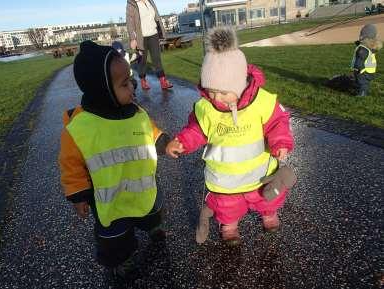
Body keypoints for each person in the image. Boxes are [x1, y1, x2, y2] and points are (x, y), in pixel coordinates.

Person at [166, 27, 294, 246]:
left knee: (266, 197)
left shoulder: (261, 102)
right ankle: (230, 225)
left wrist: (281, 142)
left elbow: (278, 122)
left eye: (223, 92)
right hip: (225, 180)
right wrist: (183, 142)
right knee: (227, 205)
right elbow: (197, 130)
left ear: (240, 83)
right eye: (212, 91)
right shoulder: (206, 107)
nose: (217, 98)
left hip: (259, 173)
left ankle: (269, 214)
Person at [59, 40, 170, 280]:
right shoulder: (80, 128)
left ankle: (153, 227)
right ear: (103, 90)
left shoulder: (135, 112)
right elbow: (71, 165)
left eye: (130, 80)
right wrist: (78, 194)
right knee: (115, 236)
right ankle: (123, 260)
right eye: (124, 84)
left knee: (151, 210)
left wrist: (164, 142)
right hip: (109, 199)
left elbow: (149, 131)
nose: (132, 87)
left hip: (143, 188)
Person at [126, 0, 173, 90]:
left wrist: (161, 30)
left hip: (153, 34)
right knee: (142, 60)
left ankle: (163, 81)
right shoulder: (131, 4)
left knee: (156, 58)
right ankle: (143, 80)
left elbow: (157, 16)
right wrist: (132, 39)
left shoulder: (150, 1)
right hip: (141, 37)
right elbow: (129, 22)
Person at [351, 24, 382, 97]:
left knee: (362, 82)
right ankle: (362, 89)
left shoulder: (362, 49)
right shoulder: (370, 47)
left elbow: (360, 59)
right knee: (365, 82)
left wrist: (357, 68)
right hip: (370, 71)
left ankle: (362, 93)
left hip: (362, 71)